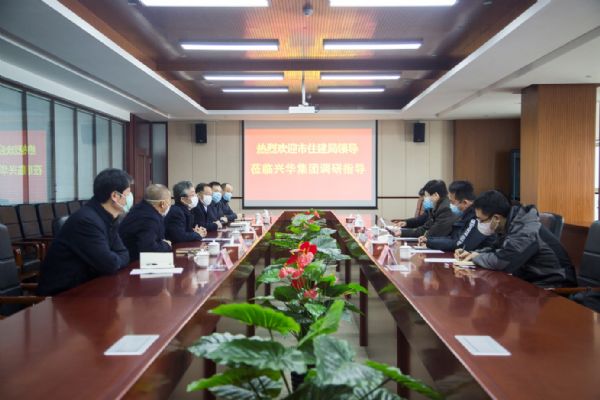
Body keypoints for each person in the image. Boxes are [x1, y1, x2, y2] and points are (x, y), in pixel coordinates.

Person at [36, 169, 131, 295]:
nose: (130, 197)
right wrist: (116, 260)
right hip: (62, 296)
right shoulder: (86, 221)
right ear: (115, 196)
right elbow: (109, 265)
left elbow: (124, 253)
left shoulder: (107, 218)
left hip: (87, 287)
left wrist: (115, 260)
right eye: (128, 193)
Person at [457, 190, 576, 288]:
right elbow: (497, 249)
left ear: (496, 218)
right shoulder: (512, 224)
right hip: (531, 281)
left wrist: (477, 258)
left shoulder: (525, 230)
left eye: (481, 220)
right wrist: (474, 254)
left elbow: (502, 261)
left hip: (553, 285)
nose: (479, 223)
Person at [420, 180, 496, 251]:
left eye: (452, 202)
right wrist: (429, 240)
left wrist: (429, 242)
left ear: (465, 203)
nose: (450, 205)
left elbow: (458, 243)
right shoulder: (465, 214)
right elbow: (453, 237)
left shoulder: (476, 216)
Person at [119, 184, 173, 260]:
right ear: (162, 204)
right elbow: (149, 248)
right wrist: (166, 245)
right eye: (169, 201)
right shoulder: (149, 219)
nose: (170, 205)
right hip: (132, 261)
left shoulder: (141, 208)